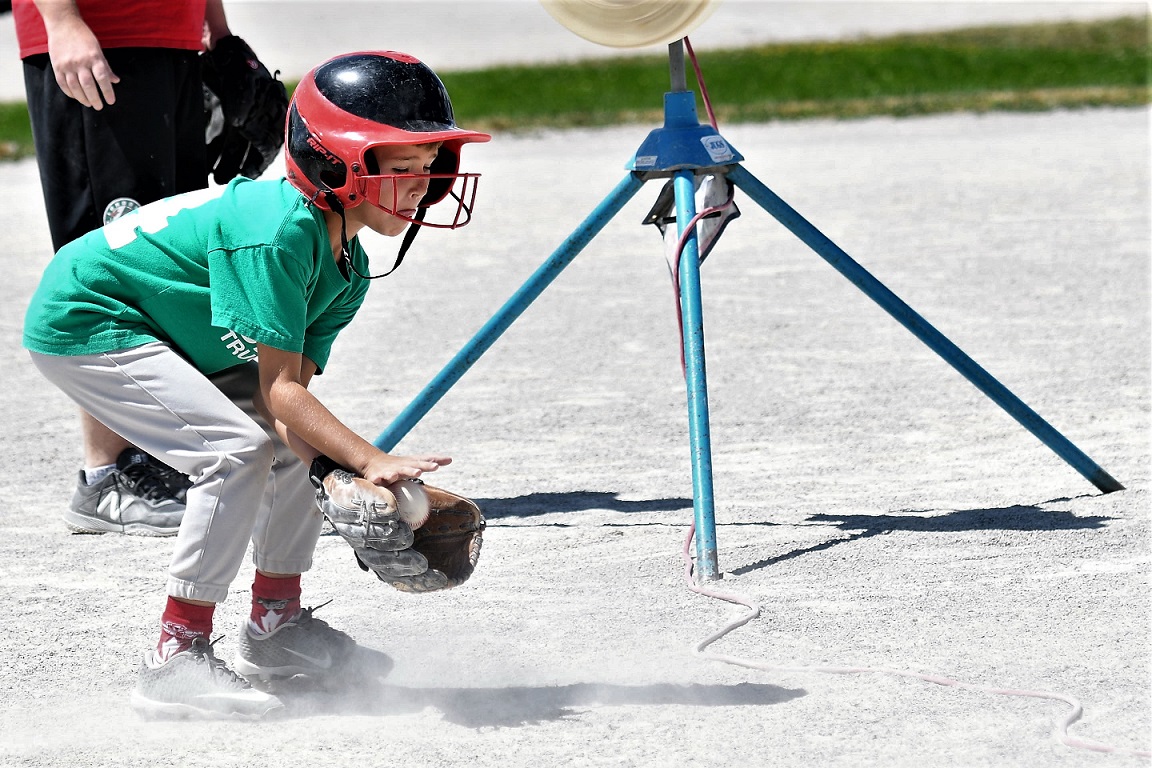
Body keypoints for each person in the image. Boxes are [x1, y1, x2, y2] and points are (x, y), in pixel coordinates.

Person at [22, 50, 490, 719]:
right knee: (232, 453)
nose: (421, 186)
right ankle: (174, 656)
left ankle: (277, 628)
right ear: (333, 164)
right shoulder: (279, 235)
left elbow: (288, 409)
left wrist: (336, 478)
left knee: (283, 456)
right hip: (90, 317)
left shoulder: (346, 267)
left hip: (163, 326)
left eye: (429, 168)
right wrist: (370, 461)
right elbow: (278, 394)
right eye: (401, 168)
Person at [14, 0, 235, 537]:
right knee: (113, 257)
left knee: (168, 256)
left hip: (172, 39)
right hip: (101, 40)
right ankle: (106, 478)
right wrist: (62, 21)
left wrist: (217, 27)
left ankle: (161, 460)